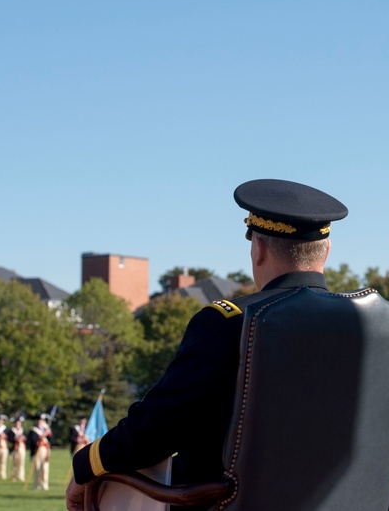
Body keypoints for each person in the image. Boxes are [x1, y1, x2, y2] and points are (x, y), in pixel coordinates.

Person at [66, 178, 348, 511]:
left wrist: (86, 464)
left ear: (257, 250)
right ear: (327, 251)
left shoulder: (229, 323)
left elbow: (156, 429)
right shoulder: (377, 329)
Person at [28, 414, 53, 491]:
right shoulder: (33, 430)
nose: (40, 422)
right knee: (37, 468)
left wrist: (49, 434)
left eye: (41, 420)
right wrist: (43, 435)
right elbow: (33, 440)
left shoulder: (46, 429)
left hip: (45, 450)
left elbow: (52, 440)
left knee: (45, 468)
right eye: (39, 420)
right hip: (37, 451)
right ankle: (36, 485)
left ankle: (45, 484)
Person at [9, 415, 27, 482]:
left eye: (19, 422)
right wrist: (15, 439)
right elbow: (10, 439)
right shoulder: (12, 430)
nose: (18, 424)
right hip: (15, 448)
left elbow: (26, 438)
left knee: (22, 463)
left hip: (21, 448)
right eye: (17, 422)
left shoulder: (23, 430)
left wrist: (23, 438)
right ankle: (13, 476)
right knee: (15, 463)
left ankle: (21, 476)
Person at [0, 414, 9, 480]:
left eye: (1, 420)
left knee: (3, 462)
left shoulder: (5, 429)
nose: (0, 421)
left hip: (4, 447)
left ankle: (3, 475)